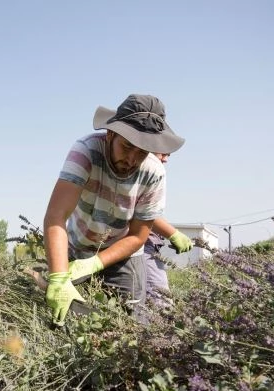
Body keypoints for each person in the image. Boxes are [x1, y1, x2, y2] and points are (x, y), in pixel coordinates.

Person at [43, 94, 184, 325]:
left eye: (142, 151)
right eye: (127, 146)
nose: (131, 159)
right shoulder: (86, 151)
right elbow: (56, 216)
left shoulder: (154, 171)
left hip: (123, 256)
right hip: (77, 248)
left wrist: (96, 263)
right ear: (111, 134)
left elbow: (139, 236)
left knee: (125, 325)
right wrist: (58, 277)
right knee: (67, 319)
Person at [143, 152, 194, 305]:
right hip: (141, 247)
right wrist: (173, 234)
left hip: (146, 244)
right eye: (163, 154)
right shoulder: (140, 173)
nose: (166, 159)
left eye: (168, 155)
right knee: (161, 303)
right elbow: (145, 215)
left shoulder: (150, 175)